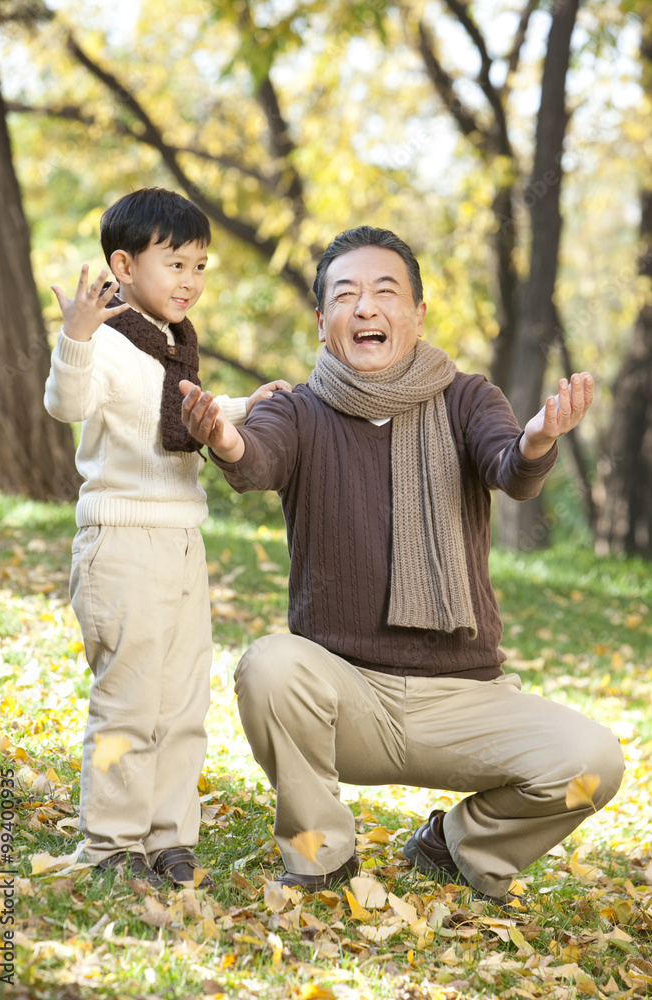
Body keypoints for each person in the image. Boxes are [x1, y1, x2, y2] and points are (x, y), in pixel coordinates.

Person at [179, 226, 624, 902]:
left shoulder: (468, 398)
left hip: (463, 700)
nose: (365, 308)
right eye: (345, 295)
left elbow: (509, 469)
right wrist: (224, 439)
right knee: (269, 664)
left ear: (416, 315)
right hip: (348, 697)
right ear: (323, 320)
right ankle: (317, 857)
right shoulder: (297, 410)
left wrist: (536, 439)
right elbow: (255, 459)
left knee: (594, 762)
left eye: (384, 292)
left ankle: (458, 842)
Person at [44, 187, 290, 890]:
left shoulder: (174, 349)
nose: (190, 280)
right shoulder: (108, 343)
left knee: (182, 700)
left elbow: (182, 415)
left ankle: (168, 838)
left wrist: (249, 407)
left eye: (200, 267)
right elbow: (68, 404)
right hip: (121, 547)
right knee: (129, 700)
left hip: (182, 545)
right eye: (175, 263)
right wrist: (77, 336)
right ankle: (111, 844)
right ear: (122, 266)